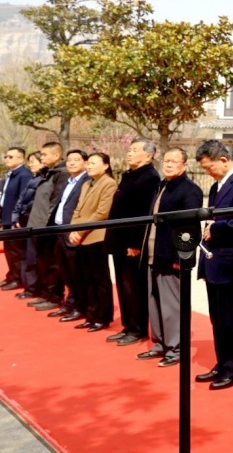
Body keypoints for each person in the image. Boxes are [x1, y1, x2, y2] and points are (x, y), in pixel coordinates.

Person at [194, 140, 233, 390]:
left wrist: (217, 228)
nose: (208, 172)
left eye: (210, 168)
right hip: (215, 262)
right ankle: (222, 362)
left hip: (232, 264)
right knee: (218, 318)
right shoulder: (219, 186)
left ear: (224, 160)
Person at [136, 148, 202, 367]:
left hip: (171, 256)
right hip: (153, 254)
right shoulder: (161, 186)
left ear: (185, 165)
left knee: (172, 305)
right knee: (154, 302)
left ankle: (176, 348)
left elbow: (190, 228)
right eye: (166, 160)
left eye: (175, 161)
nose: (169, 164)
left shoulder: (189, 190)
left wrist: (181, 257)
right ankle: (160, 343)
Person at [105, 138, 160, 346]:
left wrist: (136, 244)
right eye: (129, 149)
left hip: (132, 242)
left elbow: (144, 213)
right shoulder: (129, 175)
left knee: (133, 286)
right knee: (122, 283)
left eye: (134, 150)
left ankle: (137, 329)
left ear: (148, 155)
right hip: (119, 239)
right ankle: (128, 325)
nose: (129, 153)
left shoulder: (149, 177)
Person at [68, 152, 118, 333]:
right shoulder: (86, 184)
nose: (89, 166)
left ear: (105, 166)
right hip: (81, 237)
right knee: (85, 279)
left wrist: (79, 231)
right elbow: (78, 210)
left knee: (100, 279)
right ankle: (91, 315)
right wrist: (72, 230)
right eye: (88, 163)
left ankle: (102, 317)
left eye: (93, 163)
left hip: (96, 236)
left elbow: (102, 213)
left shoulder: (109, 183)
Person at [36, 149, 89, 315]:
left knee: (76, 273)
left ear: (85, 163)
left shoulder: (86, 182)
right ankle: (70, 304)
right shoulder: (69, 181)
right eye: (69, 160)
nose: (72, 163)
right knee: (65, 272)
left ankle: (80, 306)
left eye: (76, 160)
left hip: (73, 232)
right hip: (59, 230)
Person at [26, 142, 69, 306]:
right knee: (42, 261)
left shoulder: (61, 174)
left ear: (57, 155)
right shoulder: (47, 173)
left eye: (44, 155)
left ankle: (54, 295)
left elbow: (55, 202)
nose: (41, 157)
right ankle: (46, 293)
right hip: (37, 224)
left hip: (47, 226)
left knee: (52, 263)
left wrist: (47, 225)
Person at [0, 146, 33, 292]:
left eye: (11, 157)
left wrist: (16, 219)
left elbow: (22, 199)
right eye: (6, 156)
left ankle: (18, 278)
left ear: (21, 158)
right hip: (5, 216)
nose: (7, 159)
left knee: (16, 250)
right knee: (9, 250)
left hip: (14, 219)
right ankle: (11, 275)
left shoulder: (24, 175)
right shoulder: (10, 174)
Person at [12, 152, 44, 300]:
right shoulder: (33, 178)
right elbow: (21, 199)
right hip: (24, 220)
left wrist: (24, 210)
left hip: (33, 220)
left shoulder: (42, 180)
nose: (30, 164)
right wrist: (16, 215)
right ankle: (29, 287)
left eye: (33, 161)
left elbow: (35, 201)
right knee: (25, 255)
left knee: (33, 257)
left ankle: (34, 288)